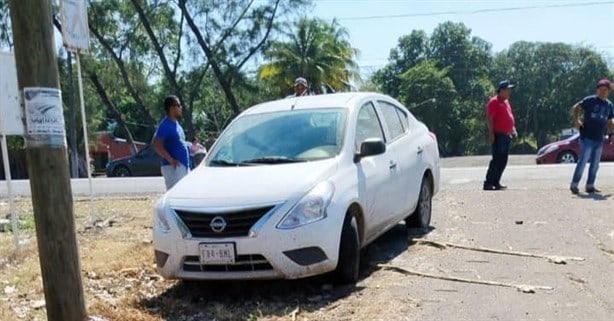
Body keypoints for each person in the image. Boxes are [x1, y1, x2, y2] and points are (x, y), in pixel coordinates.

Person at [569, 79, 614, 194]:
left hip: (599, 138)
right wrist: (576, 120)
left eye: (606, 90)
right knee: (583, 161)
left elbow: (609, 121)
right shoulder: (590, 100)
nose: (603, 92)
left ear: (608, 92)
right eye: (601, 90)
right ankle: (574, 184)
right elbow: (576, 107)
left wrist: (612, 134)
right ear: (597, 90)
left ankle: (590, 185)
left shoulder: (609, 105)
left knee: (595, 164)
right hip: (587, 137)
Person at [483, 80, 517, 191]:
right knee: (497, 159)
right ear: (501, 90)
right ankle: (488, 182)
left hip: (506, 134)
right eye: (507, 89)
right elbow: (490, 118)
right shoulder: (494, 102)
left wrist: (512, 128)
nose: (509, 92)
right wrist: (491, 133)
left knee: (503, 160)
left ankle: (496, 182)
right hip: (498, 135)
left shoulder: (506, 102)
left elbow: (509, 116)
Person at [152, 95, 190, 190]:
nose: (181, 108)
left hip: (182, 166)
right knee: (176, 197)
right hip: (173, 168)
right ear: (172, 108)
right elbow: (156, 144)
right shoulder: (165, 124)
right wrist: (170, 160)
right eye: (179, 105)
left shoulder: (176, 124)